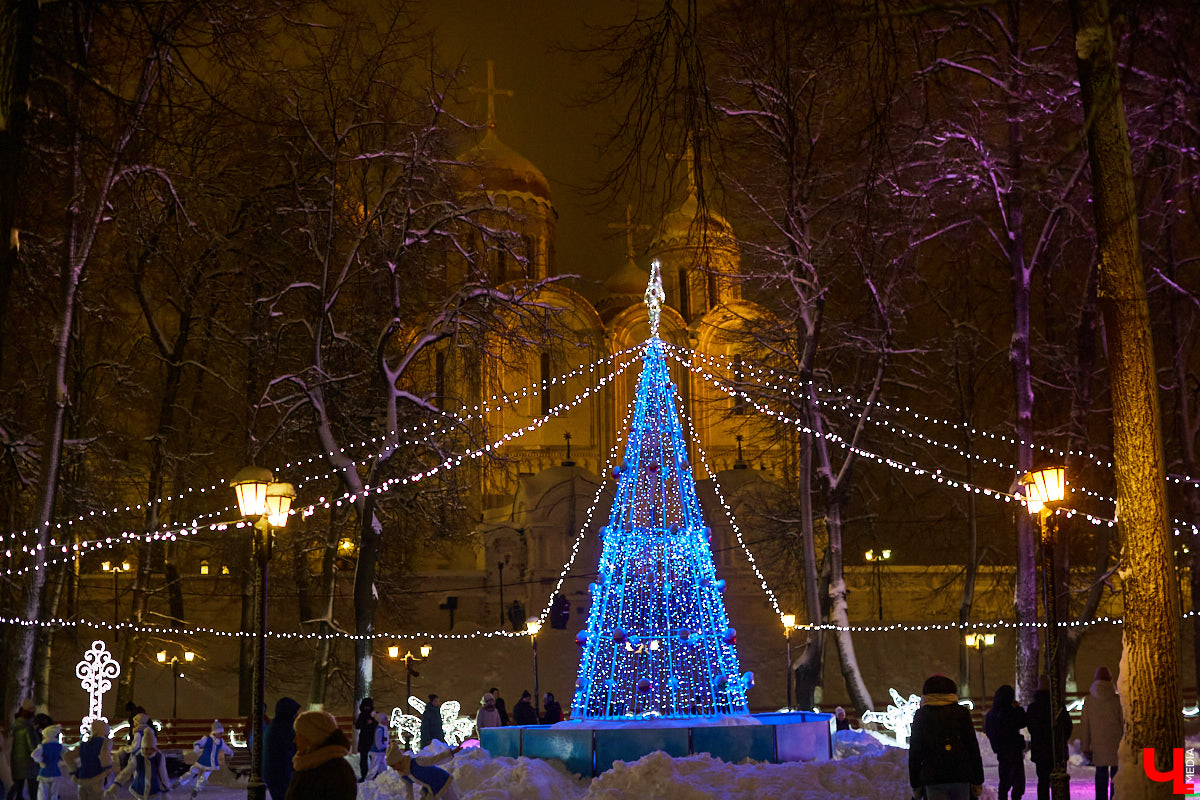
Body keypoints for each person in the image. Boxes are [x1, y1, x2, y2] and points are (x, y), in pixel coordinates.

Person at [908, 674, 983, 800]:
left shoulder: (922, 715)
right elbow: (972, 747)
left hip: (933, 778)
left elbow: (915, 753)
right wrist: (978, 779)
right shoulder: (961, 713)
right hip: (960, 776)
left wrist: (915, 784)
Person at [285, 710, 356, 800]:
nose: (295, 740)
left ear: (312, 738)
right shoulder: (308, 765)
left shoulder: (337, 773)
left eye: (299, 735)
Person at [1079, 666, 1122, 800]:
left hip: (1098, 746)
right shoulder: (1117, 701)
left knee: (1101, 774)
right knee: (1116, 777)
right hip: (1116, 745)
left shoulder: (1089, 701)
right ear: (1110, 679)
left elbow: (1085, 726)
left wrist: (1085, 747)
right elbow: (1124, 723)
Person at [1027, 674, 1073, 800]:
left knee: (1043, 781)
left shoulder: (1033, 708)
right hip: (1056, 750)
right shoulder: (1058, 707)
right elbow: (1068, 726)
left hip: (1040, 752)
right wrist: (1061, 740)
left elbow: (1031, 728)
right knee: (1058, 781)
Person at [984, 684, 1029, 800]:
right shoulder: (1011, 711)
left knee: (1004, 779)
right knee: (1018, 781)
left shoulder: (993, 714)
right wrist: (1018, 708)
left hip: (1002, 750)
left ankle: (1002, 797)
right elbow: (1023, 721)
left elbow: (989, 729)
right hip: (1014, 748)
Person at [386, 742, 463, 800]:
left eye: (394, 765)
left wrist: (451, 752)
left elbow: (434, 759)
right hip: (430, 786)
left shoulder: (417, 762)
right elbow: (408, 790)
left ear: (399, 761)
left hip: (441, 779)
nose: (393, 769)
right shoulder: (403, 775)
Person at [178, 720, 233, 799]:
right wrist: (197, 746)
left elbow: (225, 748)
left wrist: (230, 752)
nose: (221, 734)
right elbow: (200, 742)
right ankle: (180, 781)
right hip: (203, 760)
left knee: (205, 777)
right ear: (215, 732)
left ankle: (197, 788)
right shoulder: (207, 739)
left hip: (211, 763)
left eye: (222, 733)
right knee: (193, 771)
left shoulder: (220, 742)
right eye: (220, 733)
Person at [263, 697, 301, 800]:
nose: (296, 715)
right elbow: (295, 748)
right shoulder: (284, 727)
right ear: (288, 712)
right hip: (281, 773)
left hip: (275, 773)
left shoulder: (277, 725)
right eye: (294, 712)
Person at [69, 719, 113, 800]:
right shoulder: (106, 742)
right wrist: (108, 769)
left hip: (82, 778)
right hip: (97, 777)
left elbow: (68, 756)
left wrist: (75, 770)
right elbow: (105, 755)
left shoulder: (84, 744)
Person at [127, 726, 170, 799]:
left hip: (154, 786)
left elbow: (163, 773)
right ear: (143, 748)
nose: (149, 752)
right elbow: (130, 770)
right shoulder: (138, 757)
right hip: (140, 785)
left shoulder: (158, 757)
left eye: (152, 749)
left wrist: (165, 787)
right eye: (146, 749)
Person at [8, 702, 37, 800]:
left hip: (16, 760)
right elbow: (32, 746)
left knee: (18, 786)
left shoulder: (15, 726)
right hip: (29, 762)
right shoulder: (28, 728)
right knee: (33, 787)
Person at [30, 725, 64, 800]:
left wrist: (40, 760)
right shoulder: (59, 746)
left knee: (43, 792)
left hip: (45, 771)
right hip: (55, 771)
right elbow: (66, 755)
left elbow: (34, 754)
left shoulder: (43, 746)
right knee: (54, 793)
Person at [353, 697, 377, 782]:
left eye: (368, 706)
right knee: (363, 759)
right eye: (366, 706)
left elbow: (377, 725)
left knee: (373, 758)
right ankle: (364, 774)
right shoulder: (362, 715)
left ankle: (373, 774)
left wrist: (372, 721)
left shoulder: (374, 715)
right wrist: (366, 722)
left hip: (371, 739)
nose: (367, 708)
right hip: (364, 739)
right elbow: (357, 725)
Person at [365, 711, 389, 781]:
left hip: (381, 752)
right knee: (374, 767)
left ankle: (384, 779)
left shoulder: (383, 728)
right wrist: (383, 748)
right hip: (376, 752)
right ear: (381, 720)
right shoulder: (379, 729)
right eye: (385, 719)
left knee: (383, 767)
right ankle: (368, 780)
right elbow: (378, 742)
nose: (387, 720)